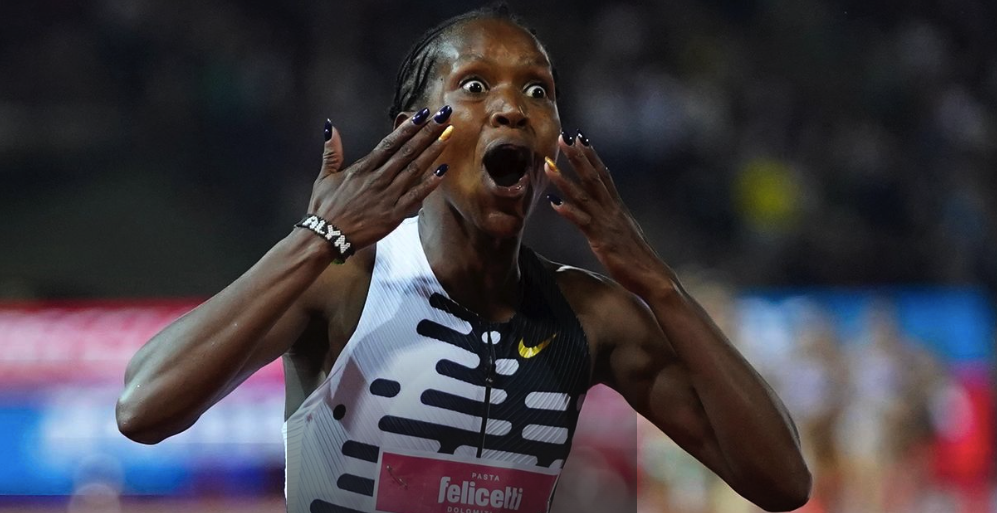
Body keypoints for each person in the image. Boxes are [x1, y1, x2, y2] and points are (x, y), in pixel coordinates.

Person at [115, 6, 811, 512]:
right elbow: (143, 407)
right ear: (414, 134)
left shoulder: (589, 316)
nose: (513, 108)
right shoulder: (346, 277)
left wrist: (659, 285)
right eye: (474, 86)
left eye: (537, 91)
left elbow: (782, 483)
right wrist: (317, 235)